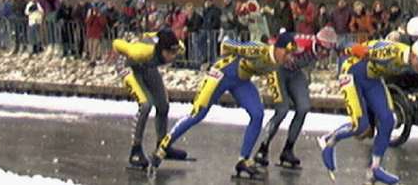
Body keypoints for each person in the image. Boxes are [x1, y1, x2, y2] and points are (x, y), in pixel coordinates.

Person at [152, 34, 298, 179]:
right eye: (286, 53)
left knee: (258, 114)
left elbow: (274, 84)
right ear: (277, 49)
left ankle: (244, 159)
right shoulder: (259, 49)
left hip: (240, 81)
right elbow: (227, 44)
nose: (288, 57)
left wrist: (280, 102)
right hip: (221, 74)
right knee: (198, 114)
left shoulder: (277, 63)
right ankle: (164, 145)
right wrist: (219, 63)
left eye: (290, 54)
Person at [319, 34, 418, 184]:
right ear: (415, 53)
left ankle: (374, 169)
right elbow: (357, 49)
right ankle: (328, 140)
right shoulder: (391, 51)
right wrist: (344, 48)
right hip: (352, 72)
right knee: (360, 125)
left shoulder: (410, 61)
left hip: (372, 77)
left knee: (388, 120)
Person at [255, 27, 338, 169]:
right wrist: (267, 43)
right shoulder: (300, 43)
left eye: (327, 51)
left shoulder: (321, 50)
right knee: (282, 110)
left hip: (294, 72)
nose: (323, 53)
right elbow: (277, 43)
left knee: (303, 107)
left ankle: (288, 150)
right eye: (321, 48)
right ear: (316, 43)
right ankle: (262, 148)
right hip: (277, 70)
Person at [113, 29, 186, 169]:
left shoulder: (178, 47)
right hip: (129, 64)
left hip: (147, 65)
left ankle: (162, 146)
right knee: (145, 104)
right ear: (161, 50)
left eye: (174, 53)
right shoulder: (141, 51)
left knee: (163, 104)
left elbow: (157, 34)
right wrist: (127, 43)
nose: (172, 57)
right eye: (169, 53)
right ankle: (135, 150)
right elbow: (116, 44)